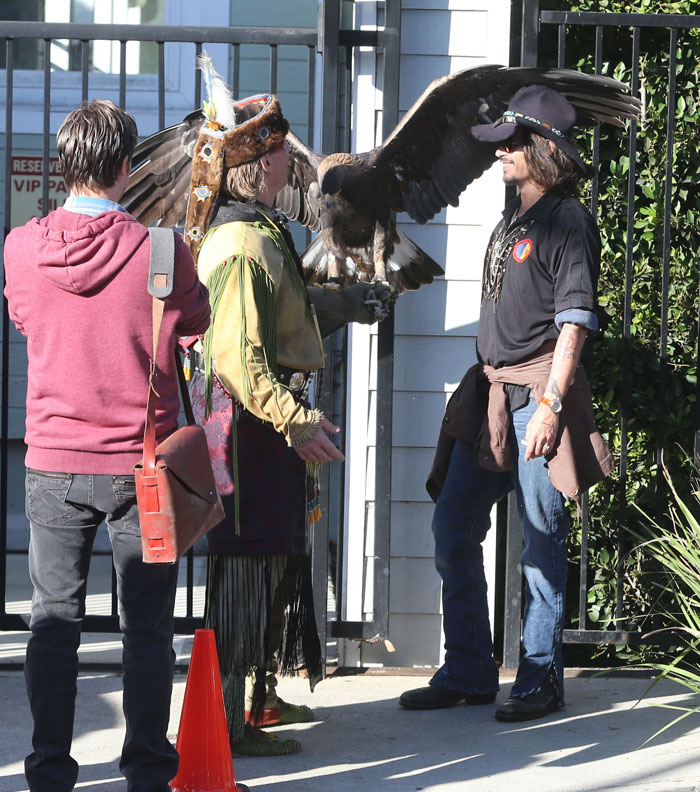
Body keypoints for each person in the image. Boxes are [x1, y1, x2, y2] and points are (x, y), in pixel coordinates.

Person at [4, 99, 211, 791]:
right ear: (126, 167)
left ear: (66, 164)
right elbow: (197, 321)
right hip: (141, 470)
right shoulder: (162, 250)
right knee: (147, 628)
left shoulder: (20, 246)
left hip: (53, 462)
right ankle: (148, 772)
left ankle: (49, 774)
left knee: (53, 623)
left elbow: (28, 318)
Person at [180, 92, 392, 755]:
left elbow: (284, 316)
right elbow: (240, 360)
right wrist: (297, 422)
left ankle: (259, 697)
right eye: (277, 152)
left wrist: (349, 301)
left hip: (266, 430)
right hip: (251, 430)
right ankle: (232, 722)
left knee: (275, 564)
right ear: (258, 166)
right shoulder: (240, 242)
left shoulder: (262, 228)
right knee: (246, 570)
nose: (287, 163)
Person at [399, 85, 613, 722]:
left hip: (535, 400)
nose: (498, 153)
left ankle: (542, 678)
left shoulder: (566, 220)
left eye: (512, 144)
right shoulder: (513, 217)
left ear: (542, 149)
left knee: (541, 543)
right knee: (452, 529)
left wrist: (551, 405)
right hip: (491, 397)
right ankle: (468, 669)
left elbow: (574, 321)